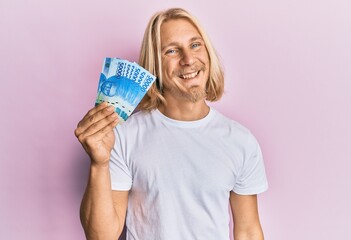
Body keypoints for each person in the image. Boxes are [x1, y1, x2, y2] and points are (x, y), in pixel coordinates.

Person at [75, 7, 268, 240]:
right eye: (172, 50)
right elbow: (101, 237)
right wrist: (99, 163)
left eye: (195, 45)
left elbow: (248, 231)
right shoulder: (124, 136)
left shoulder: (241, 141)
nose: (188, 60)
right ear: (155, 65)